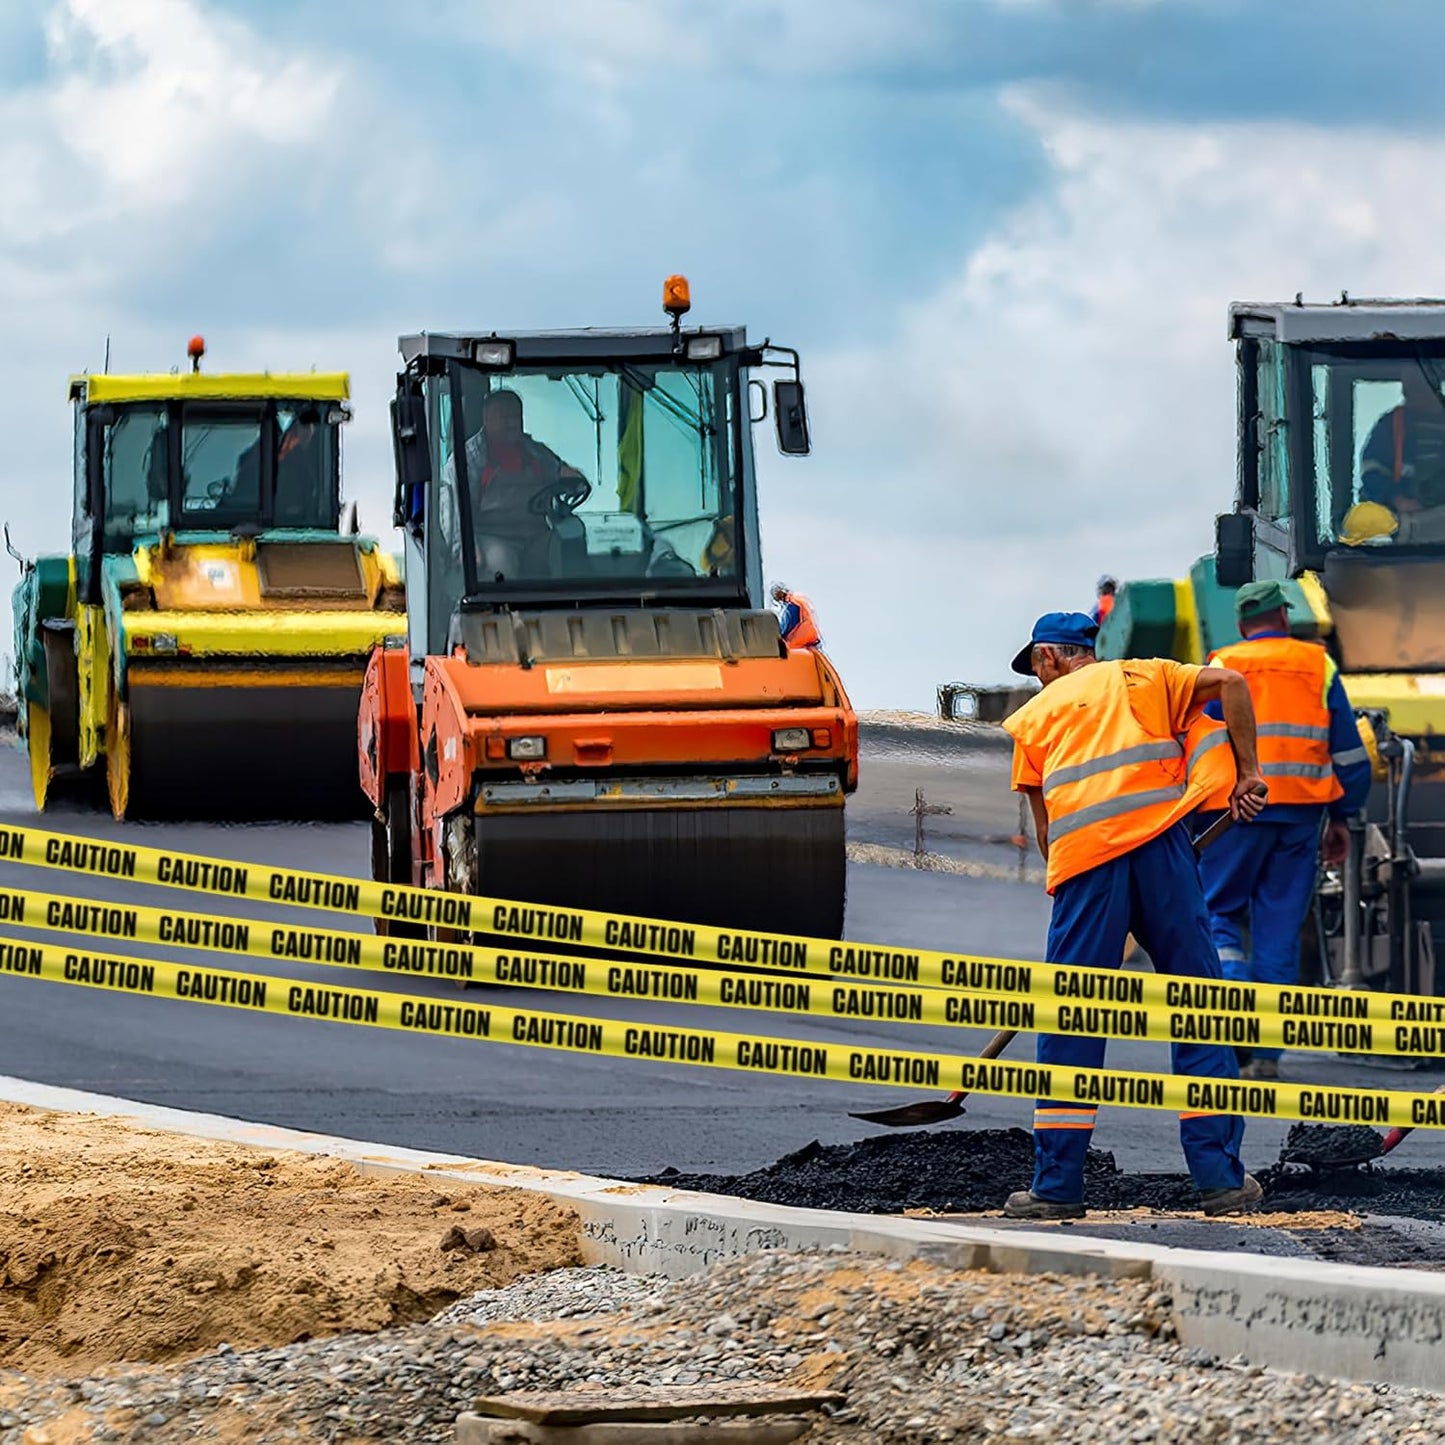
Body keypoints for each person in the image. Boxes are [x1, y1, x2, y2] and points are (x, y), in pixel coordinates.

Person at [1000, 611, 1268, 1220]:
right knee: (1199, 1005)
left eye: (1038, 668)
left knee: (1073, 1015)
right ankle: (1221, 1181)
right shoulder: (1145, 677)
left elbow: (1047, 834)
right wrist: (1248, 772)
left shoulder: (1035, 720)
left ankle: (1058, 1187)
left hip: (1087, 868)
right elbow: (1231, 684)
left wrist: (1091, 902)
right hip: (1165, 852)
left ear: (1049, 658)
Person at [1195, 580, 1372, 1081]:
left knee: (1217, 912)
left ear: (1242, 624)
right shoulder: (1319, 665)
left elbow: (1202, 741)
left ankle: (1232, 1025)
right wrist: (1343, 816)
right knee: (1279, 929)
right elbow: (1349, 755)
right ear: (1284, 618)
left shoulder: (1222, 661)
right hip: (1300, 816)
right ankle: (1268, 1055)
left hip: (1235, 812)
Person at [447, 389, 588, 579]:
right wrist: (465, 550)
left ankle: (576, 602)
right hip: (494, 536)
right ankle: (502, 608)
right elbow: (454, 510)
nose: (512, 423)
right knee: (501, 563)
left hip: (536, 533)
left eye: (516, 416)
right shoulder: (469, 460)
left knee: (570, 538)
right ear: (486, 419)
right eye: (504, 417)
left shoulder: (534, 452)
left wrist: (574, 478)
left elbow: (559, 471)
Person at [1360, 368, 1445, 516]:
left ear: (1434, 383)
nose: (1408, 391)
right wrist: (1396, 500)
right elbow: (1371, 469)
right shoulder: (1389, 424)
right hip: (1404, 521)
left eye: (1418, 384)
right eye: (1408, 384)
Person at [771, 583, 821, 648]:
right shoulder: (800, 598)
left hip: (801, 639)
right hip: (812, 637)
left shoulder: (792, 604)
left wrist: (778, 635)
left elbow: (789, 623)